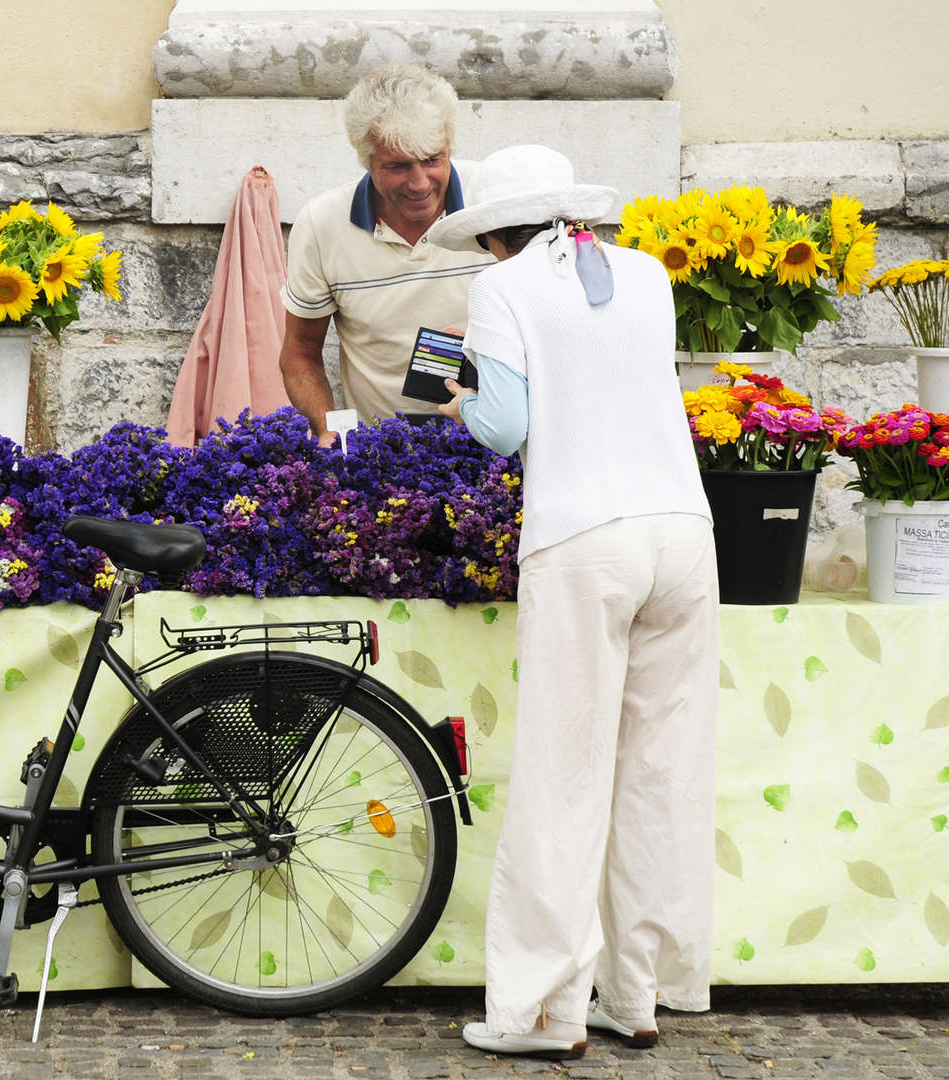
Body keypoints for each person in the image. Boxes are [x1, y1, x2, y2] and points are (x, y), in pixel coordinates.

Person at [428, 145, 719, 1060]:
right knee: (661, 772)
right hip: (682, 532)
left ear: (500, 232)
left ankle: (541, 1013)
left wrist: (457, 398)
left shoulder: (504, 288)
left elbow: (504, 428)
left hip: (584, 540)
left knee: (565, 775)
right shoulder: (643, 273)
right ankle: (638, 994)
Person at [278, 64, 494, 443]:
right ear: (366, 159)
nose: (420, 183)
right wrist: (330, 429)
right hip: (380, 455)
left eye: (432, 159)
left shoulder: (494, 200)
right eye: (397, 166)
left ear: (449, 146)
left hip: (497, 442)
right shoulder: (321, 222)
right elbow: (300, 351)